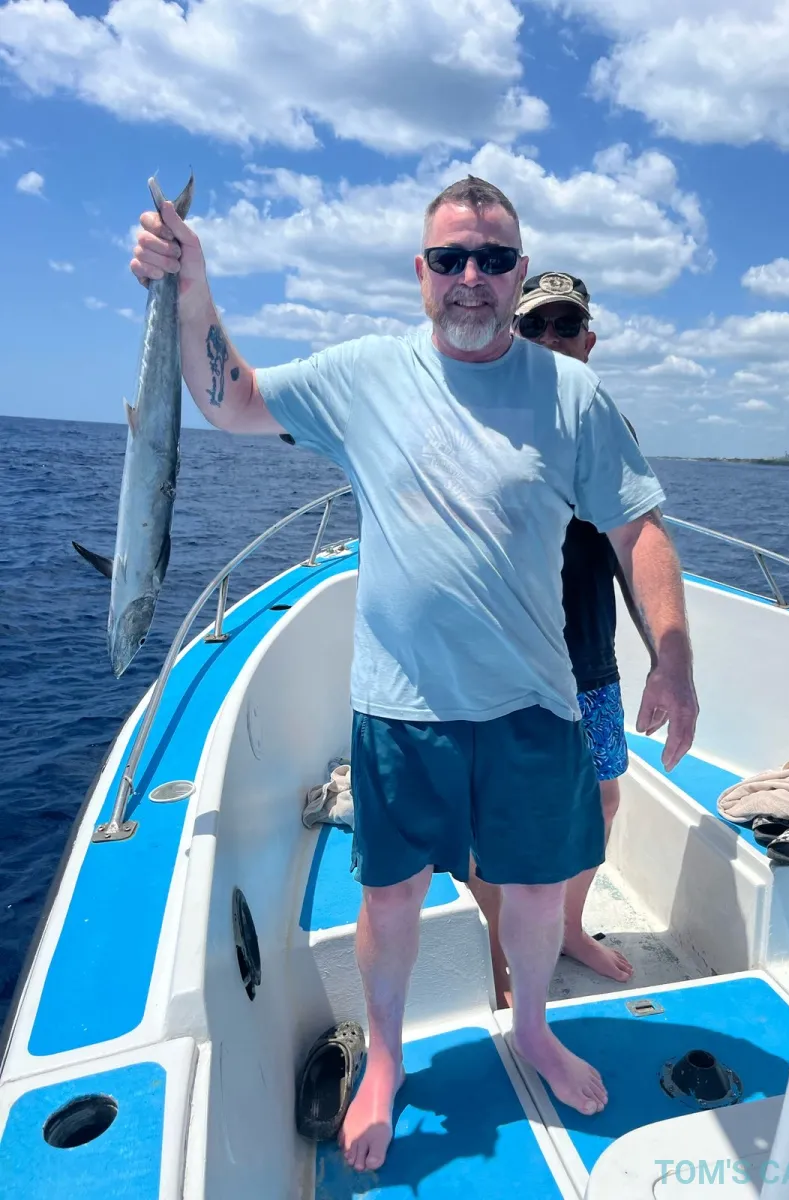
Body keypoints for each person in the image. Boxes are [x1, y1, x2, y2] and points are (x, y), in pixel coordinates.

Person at [129, 175, 699, 1172]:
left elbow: (636, 527)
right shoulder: (365, 374)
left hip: (535, 706)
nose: (472, 277)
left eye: (494, 259)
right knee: (389, 900)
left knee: (535, 893)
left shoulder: (571, 394)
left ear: (518, 271)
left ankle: (533, 1029)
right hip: (400, 710)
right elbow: (233, 400)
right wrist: (193, 288)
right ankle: (386, 1059)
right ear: (422, 271)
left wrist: (675, 657)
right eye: (451, 258)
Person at [467, 270, 666, 1005]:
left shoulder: (611, 429)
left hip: (589, 660)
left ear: (589, 341)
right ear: (512, 334)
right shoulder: (484, 425)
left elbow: (634, 547)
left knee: (602, 799)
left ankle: (569, 928)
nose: (550, 339)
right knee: (496, 819)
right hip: (505, 666)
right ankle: (499, 956)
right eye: (534, 325)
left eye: (565, 325)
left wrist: (665, 660)